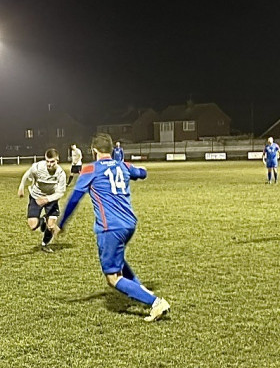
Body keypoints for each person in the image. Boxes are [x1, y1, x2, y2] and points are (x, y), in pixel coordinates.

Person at [55, 133, 170, 322]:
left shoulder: (90, 169)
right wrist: (127, 166)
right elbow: (142, 172)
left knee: (113, 278)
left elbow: (74, 198)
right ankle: (143, 292)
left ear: (93, 151)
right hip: (129, 224)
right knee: (120, 263)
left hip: (110, 227)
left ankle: (155, 303)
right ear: (111, 150)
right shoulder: (122, 165)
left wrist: (61, 224)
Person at [17, 148, 67, 253]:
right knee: (32, 226)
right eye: (47, 161)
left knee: (51, 226)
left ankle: (45, 244)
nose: (49, 164)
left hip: (51, 199)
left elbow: (60, 192)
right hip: (36, 197)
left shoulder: (61, 174)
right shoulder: (38, 167)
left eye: (52, 161)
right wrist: (21, 186)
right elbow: (27, 174)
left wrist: (47, 199)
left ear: (57, 160)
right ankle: (43, 220)